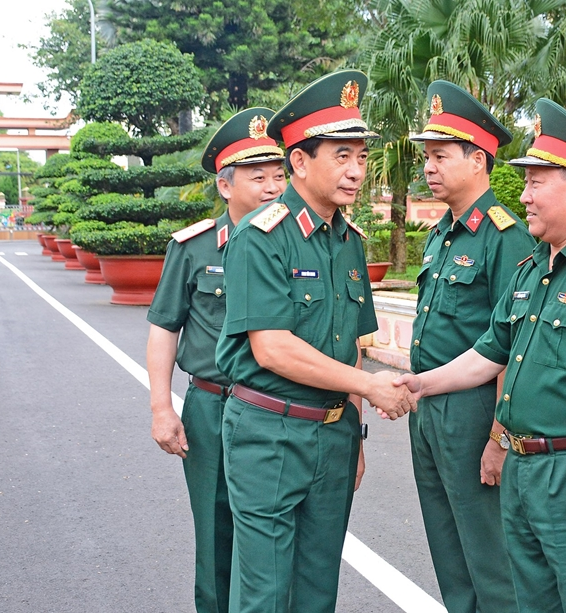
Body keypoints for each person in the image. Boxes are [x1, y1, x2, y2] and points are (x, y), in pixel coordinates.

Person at [394, 98, 566, 613]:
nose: (525, 195)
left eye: (536, 182)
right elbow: (488, 354)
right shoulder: (534, 269)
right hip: (526, 470)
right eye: (526, 182)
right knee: (530, 601)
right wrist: (414, 385)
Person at [214, 70, 416, 613]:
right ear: (299, 162)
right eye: (341, 156)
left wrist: (355, 433)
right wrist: (369, 388)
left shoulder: (348, 241)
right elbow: (272, 348)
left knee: (316, 590)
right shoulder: (261, 236)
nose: (356, 172)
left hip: (332, 436)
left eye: (361, 157)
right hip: (269, 433)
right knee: (264, 594)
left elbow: (348, 344)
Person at [146, 107, 288, 613]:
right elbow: (165, 328)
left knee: (274, 536)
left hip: (275, 407)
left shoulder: (294, 245)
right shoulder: (193, 247)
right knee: (214, 532)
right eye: (259, 177)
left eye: (279, 176)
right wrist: (162, 408)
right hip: (211, 407)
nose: (273, 187)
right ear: (226, 186)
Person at [405, 79, 536, 613]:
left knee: (490, 556)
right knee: (448, 548)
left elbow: (513, 346)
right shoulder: (442, 234)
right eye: (427, 158)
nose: (429, 168)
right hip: (428, 408)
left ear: (478, 159)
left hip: (474, 413)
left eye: (440, 156)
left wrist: (499, 436)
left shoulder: (505, 237)